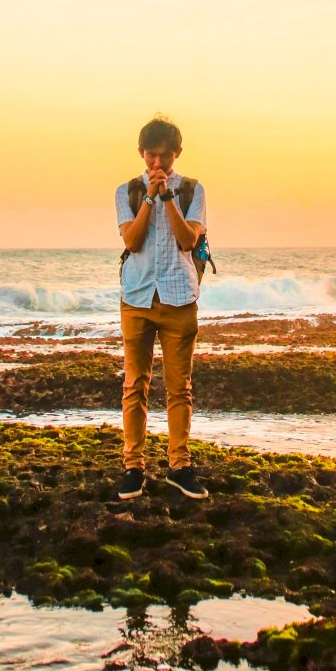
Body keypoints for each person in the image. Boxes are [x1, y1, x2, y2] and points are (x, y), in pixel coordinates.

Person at [114, 116, 208, 500]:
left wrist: (168, 197)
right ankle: (133, 466)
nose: (157, 165)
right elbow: (132, 241)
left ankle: (179, 465)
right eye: (151, 156)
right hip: (136, 297)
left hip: (179, 297)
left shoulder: (191, 190)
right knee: (134, 384)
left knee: (179, 387)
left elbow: (188, 241)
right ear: (141, 153)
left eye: (164, 157)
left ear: (177, 154)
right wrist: (151, 197)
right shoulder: (128, 191)